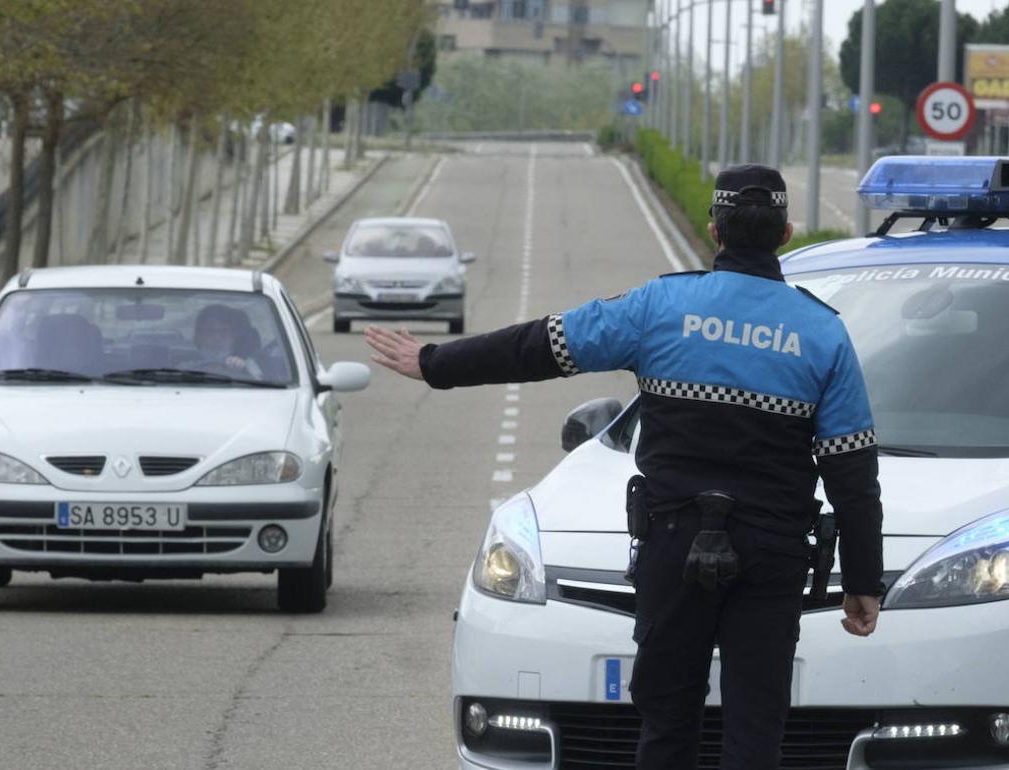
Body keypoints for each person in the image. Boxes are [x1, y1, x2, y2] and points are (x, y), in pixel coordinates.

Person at [365, 164, 884, 769]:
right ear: (787, 232)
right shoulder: (823, 333)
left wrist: (436, 363)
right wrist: (863, 582)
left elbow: (542, 345)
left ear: (715, 230)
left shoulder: (657, 306)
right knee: (755, 726)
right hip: (773, 557)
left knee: (665, 720)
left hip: (672, 546)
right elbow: (853, 474)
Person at [190, 304, 262, 380]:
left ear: (234, 335)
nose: (217, 337)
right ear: (199, 334)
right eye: (210, 331)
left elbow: (260, 385)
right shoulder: (183, 358)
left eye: (224, 331)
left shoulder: (247, 363)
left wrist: (241, 371)